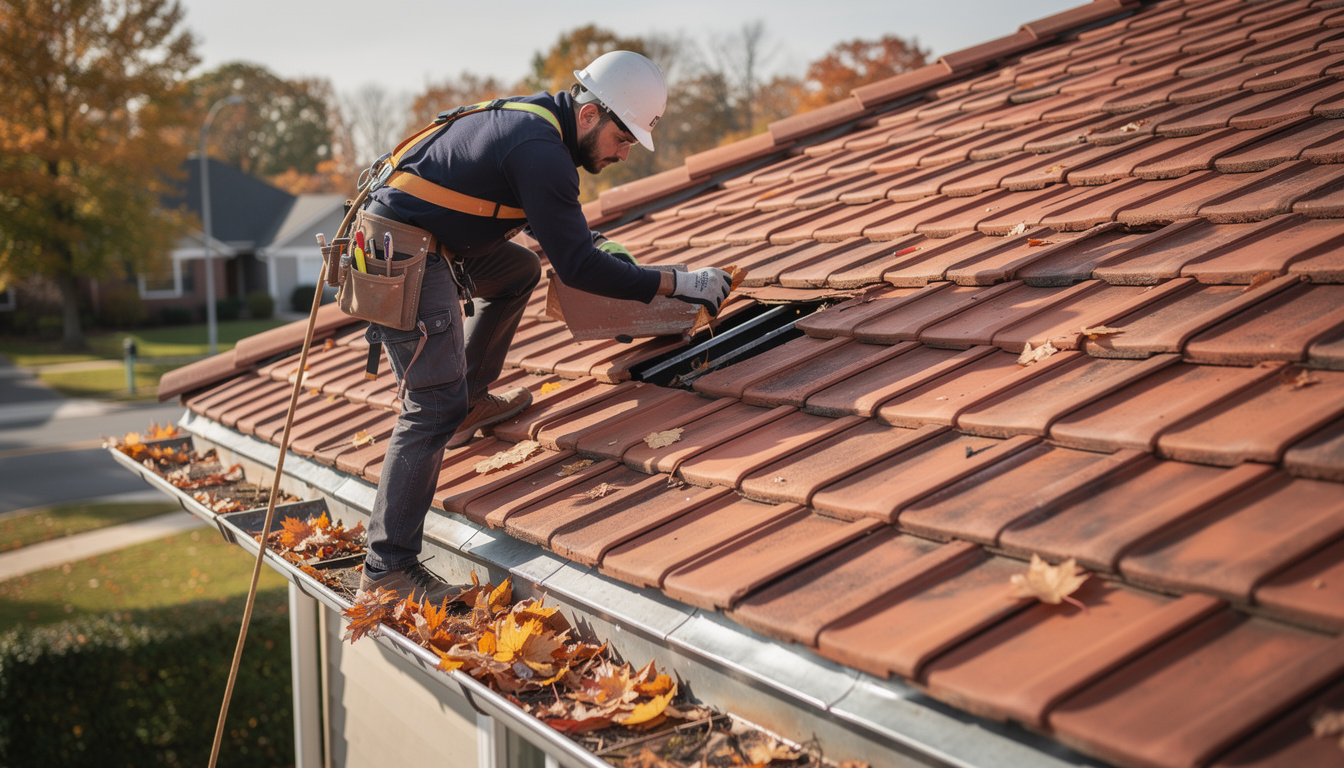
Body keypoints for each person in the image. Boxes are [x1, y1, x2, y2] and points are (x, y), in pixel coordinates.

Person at [355, 50, 733, 603]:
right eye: (623, 138)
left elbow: (559, 237)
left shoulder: (539, 126)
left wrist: (612, 258)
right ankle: (385, 568)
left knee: (519, 270)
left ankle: (470, 403)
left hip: (422, 239)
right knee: (429, 404)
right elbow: (577, 267)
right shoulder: (541, 150)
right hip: (398, 253)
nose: (625, 153)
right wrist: (678, 282)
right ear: (589, 116)